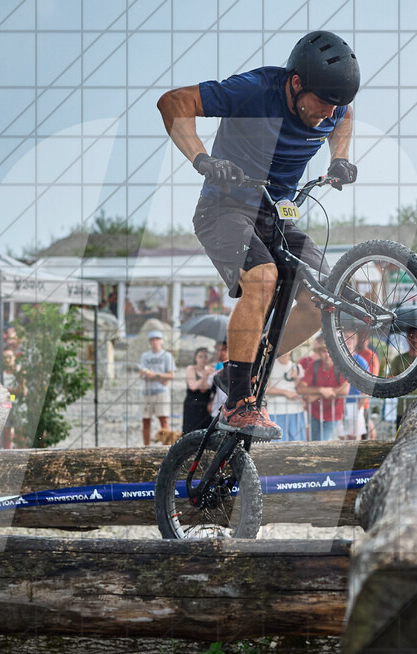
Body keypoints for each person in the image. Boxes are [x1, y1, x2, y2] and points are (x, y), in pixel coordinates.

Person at [158, 30, 359, 441]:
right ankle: (238, 403)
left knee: (325, 295)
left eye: (333, 107)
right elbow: (173, 102)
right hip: (224, 209)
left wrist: (340, 159)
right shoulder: (253, 90)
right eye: (320, 104)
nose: (326, 115)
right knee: (263, 278)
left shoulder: (333, 107)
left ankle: (243, 370)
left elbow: (346, 115)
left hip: (276, 215)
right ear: (297, 82)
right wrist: (203, 159)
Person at [296, 335, 350, 441]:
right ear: (319, 353)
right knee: (313, 441)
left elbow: (345, 390)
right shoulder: (314, 365)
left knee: (321, 441)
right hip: (314, 412)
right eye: (324, 351)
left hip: (333, 413)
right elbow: (301, 388)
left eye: (330, 351)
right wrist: (321, 390)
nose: (327, 355)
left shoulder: (341, 367)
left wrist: (316, 395)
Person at [139, 330, 176, 446]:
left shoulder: (167, 356)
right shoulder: (145, 356)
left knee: (164, 420)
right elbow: (141, 373)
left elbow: (171, 375)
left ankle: (166, 447)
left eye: (157, 339)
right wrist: (159, 377)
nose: (155, 342)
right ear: (150, 342)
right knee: (145, 421)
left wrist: (155, 375)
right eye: (153, 339)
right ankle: (146, 447)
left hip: (161, 392)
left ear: (161, 341)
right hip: (147, 392)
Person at [265, 351, 307, 442]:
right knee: (276, 441)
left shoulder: (297, 367)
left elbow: (301, 389)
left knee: (297, 441)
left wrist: (296, 378)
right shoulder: (270, 366)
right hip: (275, 410)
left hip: (296, 410)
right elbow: (266, 389)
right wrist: (285, 392)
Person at [182, 347, 215, 434]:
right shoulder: (191, 369)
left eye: (205, 357)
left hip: (205, 405)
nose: (203, 359)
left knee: (204, 431)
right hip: (192, 404)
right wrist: (205, 376)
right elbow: (193, 386)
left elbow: (205, 389)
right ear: (196, 358)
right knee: (190, 430)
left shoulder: (209, 370)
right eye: (200, 357)